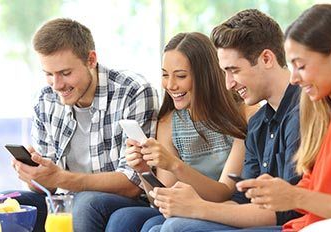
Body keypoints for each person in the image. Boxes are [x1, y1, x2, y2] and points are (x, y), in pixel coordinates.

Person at [149, 9, 302, 232]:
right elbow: (240, 200)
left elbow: (287, 210)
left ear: (266, 58)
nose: (228, 83)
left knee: (176, 228)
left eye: (234, 70)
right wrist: (193, 207)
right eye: (224, 72)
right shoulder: (258, 122)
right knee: (163, 227)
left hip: (292, 224)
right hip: (261, 219)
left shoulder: (303, 113)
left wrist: (198, 208)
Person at [10, 18, 159, 232]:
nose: (57, 85)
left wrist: (62, 178)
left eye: (65, 73)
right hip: (68, 200)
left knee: (85, 203)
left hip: (122, 202)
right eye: (49, 74)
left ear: (91, 59)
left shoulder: (133, 92)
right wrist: (34, 175)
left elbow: (132, 183)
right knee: (13, 202)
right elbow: (49, 186)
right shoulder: (45, 100)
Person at [105, 32, 250, 232]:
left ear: (206, 76)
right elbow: (161, 201)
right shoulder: (169, 122)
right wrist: (144, 170)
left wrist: (174, 164)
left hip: (223, 208)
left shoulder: (242, 115)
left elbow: (224, 193)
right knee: (123, 219)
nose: (171, 85)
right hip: (182, 209)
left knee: (155, 226)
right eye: (165, 74)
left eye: (181, 76)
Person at [238, 4, 331, 231]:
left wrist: (294, 196)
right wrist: (278, 192)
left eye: (301, 66)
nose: (294, 79)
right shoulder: (328, 115)